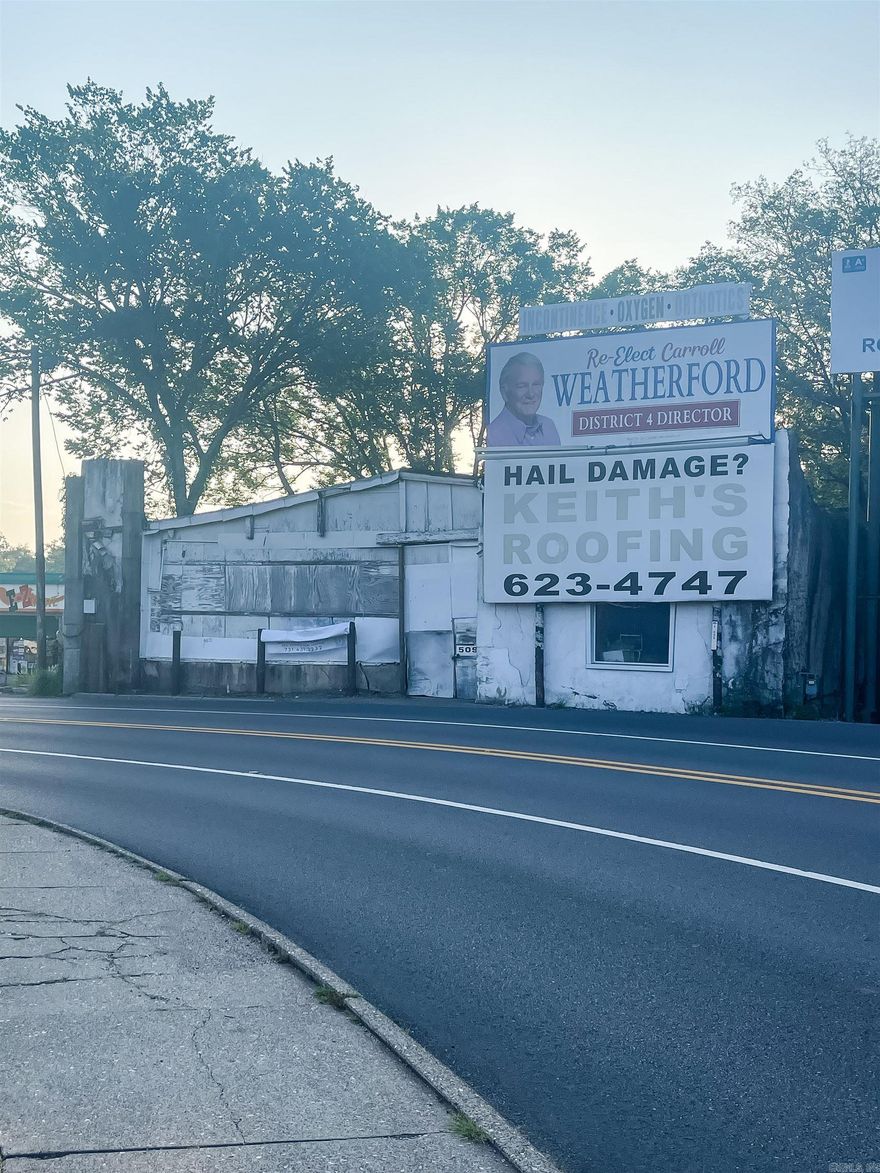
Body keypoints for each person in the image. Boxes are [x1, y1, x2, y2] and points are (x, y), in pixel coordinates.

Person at [487, 352, 561, 447]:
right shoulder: (494, 433)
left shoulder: (548, 426)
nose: (531, 394)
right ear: (504, 391)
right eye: (522, 386)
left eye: (536, 385)